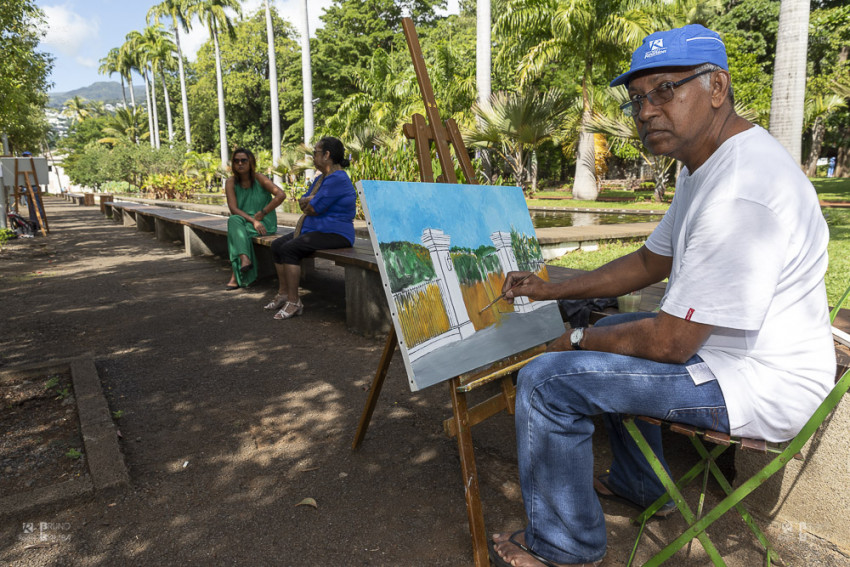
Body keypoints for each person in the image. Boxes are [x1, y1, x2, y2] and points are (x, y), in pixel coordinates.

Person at [490, 24, 837, 567]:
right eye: (637, 99)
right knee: (611, 337)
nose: (647, 110)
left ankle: (563, 548)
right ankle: (641, 483)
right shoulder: (705, 164)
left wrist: (573, 339)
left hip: (760, 383)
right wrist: (550, 288)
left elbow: (670, 343)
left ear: (717, 87)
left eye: (665, 90)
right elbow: (650, 261)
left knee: (545, 379)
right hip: (728, 357)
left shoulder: (742, 190)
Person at [265, 136, 356, 319]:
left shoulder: (338, 178)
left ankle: (294, 301)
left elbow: (312, 208)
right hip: (313, 230)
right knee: (277, 246)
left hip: (336, 233)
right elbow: (303, 202)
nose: (313, 156)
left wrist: (310, 202)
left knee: (290, 249)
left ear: (327, 155)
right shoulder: (322, 179)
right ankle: (283, 293)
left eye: (315, 153)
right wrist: (310, 201)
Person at [225, 148, 285, 290]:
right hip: (246, 221)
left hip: (264, 222)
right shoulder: (230, 182)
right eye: (236, 161)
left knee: (236, 232)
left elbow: (281, 195)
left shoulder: (260, 178)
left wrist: (263, 213)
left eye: (244, 160)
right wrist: (253, 221)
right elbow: (233, 209)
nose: (240, 163)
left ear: (250, 162)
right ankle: (245, 259)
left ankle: (236, 274)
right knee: (233, 221)